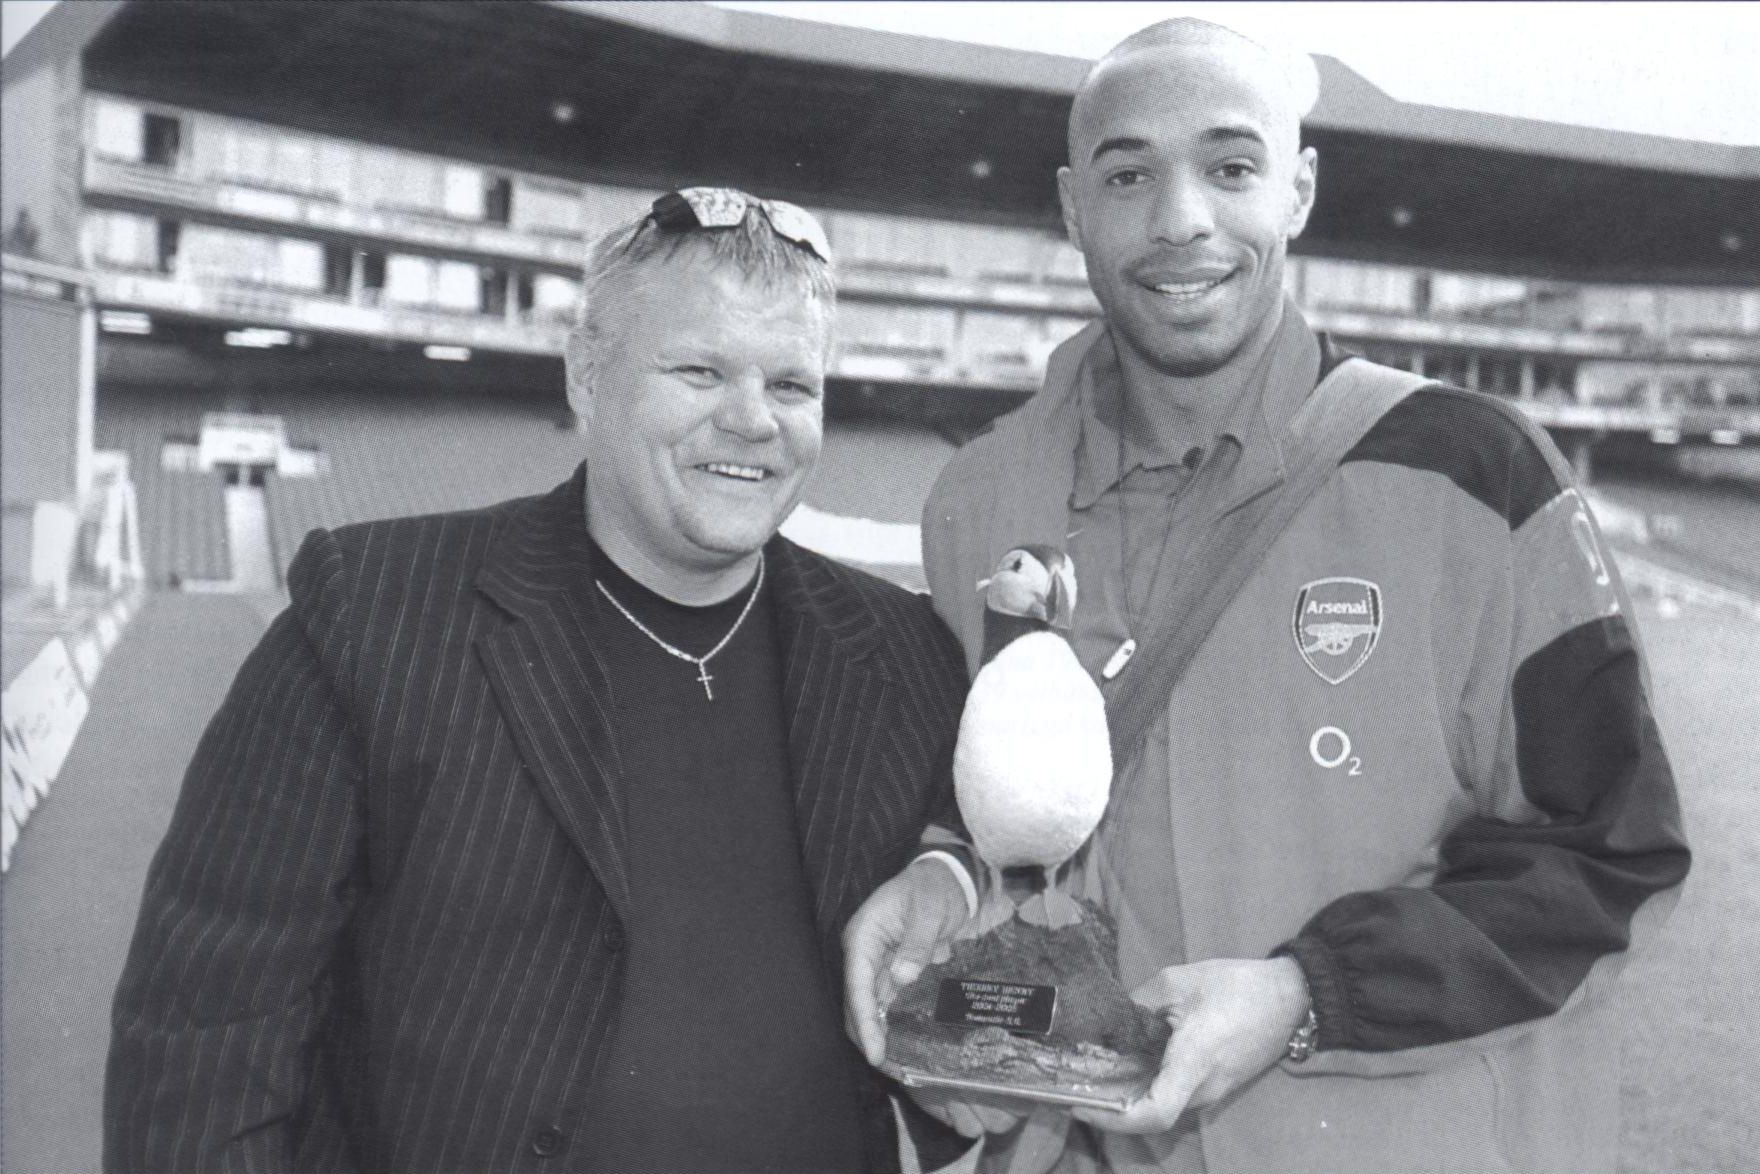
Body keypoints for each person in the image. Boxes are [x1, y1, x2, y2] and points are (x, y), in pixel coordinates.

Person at [845, 20, 1689, 1174]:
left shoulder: (1475, 474)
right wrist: (941, 871)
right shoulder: (977, 500)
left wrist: (1305, 991)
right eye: (1127, 175)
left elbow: (1610, 852)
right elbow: (989, 798)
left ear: (1296, 189)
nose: (1180, 217)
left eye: (1230, 166)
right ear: (1070, 207)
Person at [105, 188, 975, 1174]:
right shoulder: (371, 616)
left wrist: (953, 877)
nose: (751, 420)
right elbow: (204, 1041)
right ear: (585, 377)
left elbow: (995, 882)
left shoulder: (903, 650)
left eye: (790, 384)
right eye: (699, 370)